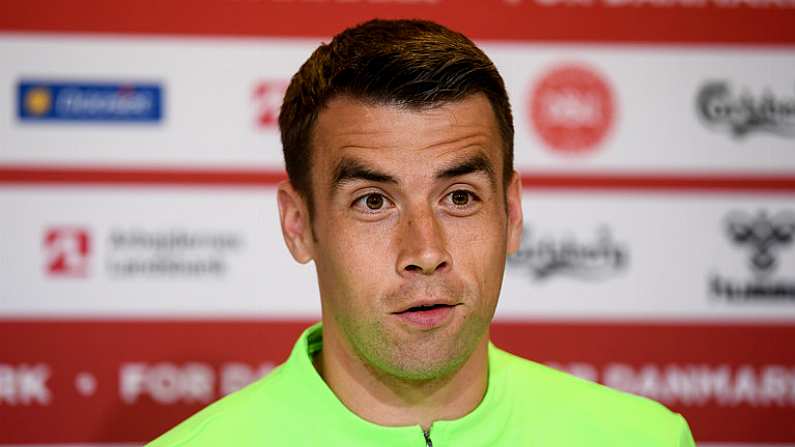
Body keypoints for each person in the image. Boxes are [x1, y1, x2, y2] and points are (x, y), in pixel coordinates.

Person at [148, 19, 695, 446]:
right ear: (298, 225)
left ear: (512, 212)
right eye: (373, 202)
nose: (425, 252)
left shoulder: (643, 439)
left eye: (459, 197)